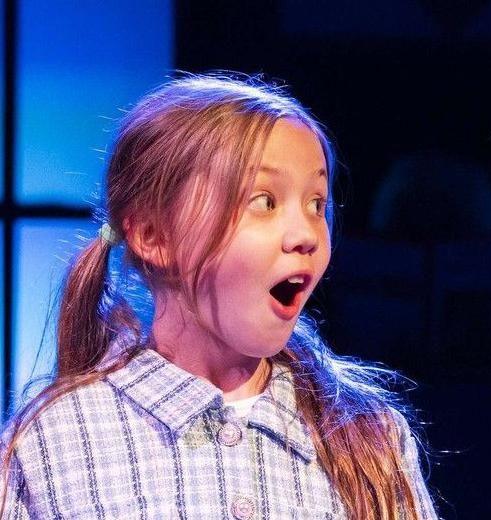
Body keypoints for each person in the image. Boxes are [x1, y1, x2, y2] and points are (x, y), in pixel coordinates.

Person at [1, 75, 438, 519]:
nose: (306, 234)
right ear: (154, 236)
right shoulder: (55, 442)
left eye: (316, 203)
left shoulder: (367, 436)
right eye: (265, 201)